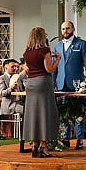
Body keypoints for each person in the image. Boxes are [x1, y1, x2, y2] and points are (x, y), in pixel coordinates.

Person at [53, 20, 86, 149]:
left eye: (68, 28)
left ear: (73, 29)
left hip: (77, 84)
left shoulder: (81, 44)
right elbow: (54, 67)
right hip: (61, 83)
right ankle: (65, 139)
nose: (65, 31)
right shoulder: (57, 46)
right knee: (64, 113)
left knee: (78, 113)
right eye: (63, 29)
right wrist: (52, 83)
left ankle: (80, 139)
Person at [22, 27, 60, 158]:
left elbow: (28, 68)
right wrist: (58, 60)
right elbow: (49, 69)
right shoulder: (45, 50)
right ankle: (43, 146)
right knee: (45, 113)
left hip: (30, 83)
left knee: (32, 114)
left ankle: (34, 145)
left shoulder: (27, 52)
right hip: (43, 82)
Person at [0, 58, 24, 138]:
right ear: (5, 67)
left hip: (20, 102)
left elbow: (22, 90)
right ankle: (26, 134)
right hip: (10, 105)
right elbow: (2, 93)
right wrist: (11, 88)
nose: (15, 68)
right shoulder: (1, 78)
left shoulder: (17, 77)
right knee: (27, 110)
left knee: (33, 108)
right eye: (13, 67)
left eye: (16, 67)